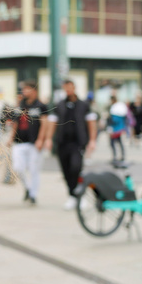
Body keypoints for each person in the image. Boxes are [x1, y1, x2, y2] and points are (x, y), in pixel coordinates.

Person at [45, 79, 98, 210]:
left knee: (76, 168)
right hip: (62, 142)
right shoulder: (59, 105)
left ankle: (80, 195)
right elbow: (52, 123)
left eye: (70, 87)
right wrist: (49, 139)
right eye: (66, 87)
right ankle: (72, 196)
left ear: (74, 87)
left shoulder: (84, 105)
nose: (68, 90)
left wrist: (92, 140)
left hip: (78, 143)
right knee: (66, 170)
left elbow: (91, 123)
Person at [7, 80, 49, 205]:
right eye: (23, 89)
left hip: (34, 142)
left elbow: (44, 124)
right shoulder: (20, 105)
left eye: (27, 89)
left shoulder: (41, 106)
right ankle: (28, 188)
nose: (24, 91)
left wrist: (41, 139)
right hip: (19, 141)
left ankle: (33, 195)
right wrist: (10, 138)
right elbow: (15, 122)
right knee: (18, 167)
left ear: (34, 90)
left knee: (33, 169)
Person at [107, 96, 129, 163]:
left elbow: (113, 120)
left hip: (115, 129)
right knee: (120, 143)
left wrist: (110, 128)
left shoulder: (114, 108)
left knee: (113, 143)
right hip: (120, 128)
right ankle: (121, 156)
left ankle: (115, 156)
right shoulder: (121, 106)